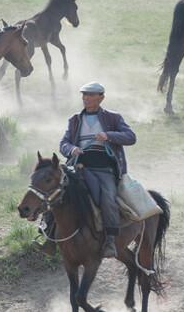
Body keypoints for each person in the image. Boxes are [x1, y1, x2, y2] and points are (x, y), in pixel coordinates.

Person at [59, 81, 137, 258]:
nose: (85, 98)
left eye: (90, 95)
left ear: (101, 97)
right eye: (84, 95)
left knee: (108, 197)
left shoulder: (113, 118)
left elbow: (131, 137)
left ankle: (110, 240)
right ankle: (47, 235)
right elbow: (63, 143)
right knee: (56, 191)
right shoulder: (75, 120)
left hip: (104, 169)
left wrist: (108, 136)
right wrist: (71, 149)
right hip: (79, 167)